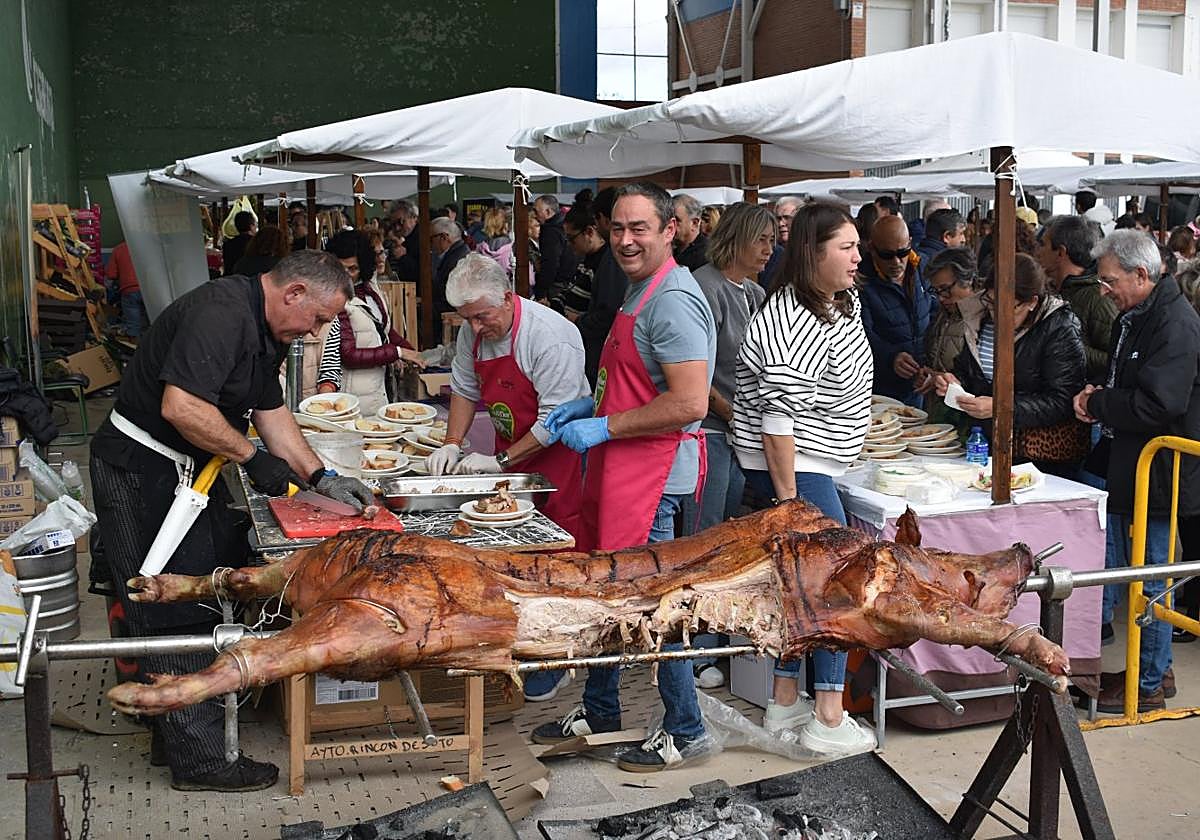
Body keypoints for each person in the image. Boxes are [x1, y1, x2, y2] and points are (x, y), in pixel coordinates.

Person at [89, 250, 373, 792]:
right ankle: (200, 762)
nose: (318, 332)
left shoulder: (267, 331)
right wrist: (251, 458)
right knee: (171, 608)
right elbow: (182, 408)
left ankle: (173, 735)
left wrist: (321, 477)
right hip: (139, 469)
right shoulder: (221, 314)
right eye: (317, 319)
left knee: (196, 593)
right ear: (292, 293)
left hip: (184, 469)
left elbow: (273, 415)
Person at [532, 181, 716, 773]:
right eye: (617, 228)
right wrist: (590, 406)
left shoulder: (674, 301)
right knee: (608, 592)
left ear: (670, 231)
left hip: (653, 479)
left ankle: (686, 730)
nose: (626, 239)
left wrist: (607, 429)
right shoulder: (641, 290)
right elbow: (637, 383)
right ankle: (601, 708)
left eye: (640, 228)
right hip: (623, 470)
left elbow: (690, 403)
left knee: (655, 606)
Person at [730, 201, 876, 756]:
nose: (858, 257)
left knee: (799, 590)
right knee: (837, 584)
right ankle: (829, 715)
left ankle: (785, 699)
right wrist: (789, 501)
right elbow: (776, 425)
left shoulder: (840, 304)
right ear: (813, 254)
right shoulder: (784, 318)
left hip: (822, 465)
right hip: (796, 472)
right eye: (847, 247)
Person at [427, 254, 589, 699]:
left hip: (559, 463)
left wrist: (500, 463)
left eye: (482, 317)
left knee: (555, 564)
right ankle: (512, 646)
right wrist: (452, 443)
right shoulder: (472, 331)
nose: (475, 328)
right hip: (510, 460)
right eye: (467, 319)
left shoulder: (550, 336)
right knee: (510, 560)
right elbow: (463, 387)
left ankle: (555, 658)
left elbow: (555, 420)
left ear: (506, 295)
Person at [1074, 230, 1200, 713]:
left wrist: (1101, 401)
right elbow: (1132, 384)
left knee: (1150, 582)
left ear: (1141, 275)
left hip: (1163, 473)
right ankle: (1153, 670)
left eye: (1110, 281)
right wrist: (1100, 399)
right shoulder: (1142, 315)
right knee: (1141, 580)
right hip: (1137, 466)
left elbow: (1159, 402)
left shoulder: (1173, 322)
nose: (1104, 290)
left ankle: (1147, 683)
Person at [933, 254, 1087, 476]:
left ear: (1032, 302)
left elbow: (1062, 400)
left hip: (1041, 461)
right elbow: (969, 372)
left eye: (1010, 307)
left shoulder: (1059, 327)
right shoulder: (980, 318)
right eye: (993, 302)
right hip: (988, 448)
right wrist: (954, 382)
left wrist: (1001, 408)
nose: (998, 314)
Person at [683, 202, 771, 534]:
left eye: (771, 239)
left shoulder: (754, 292)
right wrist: (732, 414)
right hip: (709, 429)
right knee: (704, 530)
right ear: (736, 239)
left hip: (740, 431)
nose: (768, 249)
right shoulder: (705, 287)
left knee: (727, 524)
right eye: (761, 239)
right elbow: (690, 370)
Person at [325, 229, 423, 415]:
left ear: (363, 266)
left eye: (352, 269)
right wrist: (398, 352)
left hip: (378, 390)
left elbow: (383, 330)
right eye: (340, 268)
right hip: (352, 397)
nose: (346, 275)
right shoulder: (335, 301)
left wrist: (410, 351)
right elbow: (348, 355)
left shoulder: (371, 290)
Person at [857, 215, 937, 405]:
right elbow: (862, 334)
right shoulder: (861, 281)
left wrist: (930, 364)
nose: (896, 262)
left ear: (910, 244)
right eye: (887, 255)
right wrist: (891, 357)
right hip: (881, 389)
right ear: (872, 249)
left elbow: (935, 313)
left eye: (903, 252)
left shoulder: (923, 267)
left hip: (922, 381)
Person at [1035, 215, 1116, 383]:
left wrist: (1067, 345)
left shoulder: (1098, 297)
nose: (1038, 251)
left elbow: (1115, 357)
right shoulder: (1049, 291)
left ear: (1061, 252)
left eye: (1043, 244)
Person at [560, 201, 630, 387]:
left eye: (572, 238)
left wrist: (578, 321)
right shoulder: (587, 259)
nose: (569, 245)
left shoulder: (608, 264)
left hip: (595, 351)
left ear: (590, 232)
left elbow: (608, 313)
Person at [917, 247, 978, 413]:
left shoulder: (985, 320)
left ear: (968, 281)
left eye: (945, 290)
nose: (941, 298)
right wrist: (929, 374)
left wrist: (944, 380)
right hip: (939, 414)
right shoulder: (943, 315)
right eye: (936, 291)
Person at [533, 194, 578, 300]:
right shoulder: (563, 225)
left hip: (556, 284)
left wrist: (541, 290)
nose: (535, 215)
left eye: (536, 211)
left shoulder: (550, 231)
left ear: (548, 212)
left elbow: (551, 262)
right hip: (569, 281)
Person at [106, 240, 148, 338]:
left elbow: (111, 274)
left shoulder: (118, 249)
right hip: (149, 290)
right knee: (153, 323)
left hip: (129, 290)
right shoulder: (148, 248)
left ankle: (135, 347)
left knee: (133, 327)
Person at [432, 217, 470, 319]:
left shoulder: (456, 260)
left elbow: (450, 300)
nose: (430, 245)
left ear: (444, 237)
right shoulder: (457, 254)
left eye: (431, 239)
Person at [914, 208, 967, 277]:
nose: (964, 239)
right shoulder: (942, 264)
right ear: (946, 236)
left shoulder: (916, 257)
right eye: (961, 233)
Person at [672, 193, 709, 272]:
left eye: (677, 220)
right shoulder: (669, 250)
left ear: (694, 223)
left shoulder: (706, 255)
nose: (670, 226)